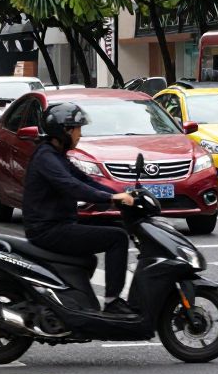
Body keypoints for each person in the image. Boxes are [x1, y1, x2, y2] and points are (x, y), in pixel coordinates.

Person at [22, 102, 136, 315]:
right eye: (78, 129)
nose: (80, 135)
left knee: (107, 235)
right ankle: (112, 303)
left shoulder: (55, 155)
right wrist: (112, 199)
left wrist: (123, 192)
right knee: (117, 238)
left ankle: (75, 300)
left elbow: (84, 179)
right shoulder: (46, 157)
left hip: (59, 225)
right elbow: (72, 186)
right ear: (65, 130)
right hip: (48, 230)